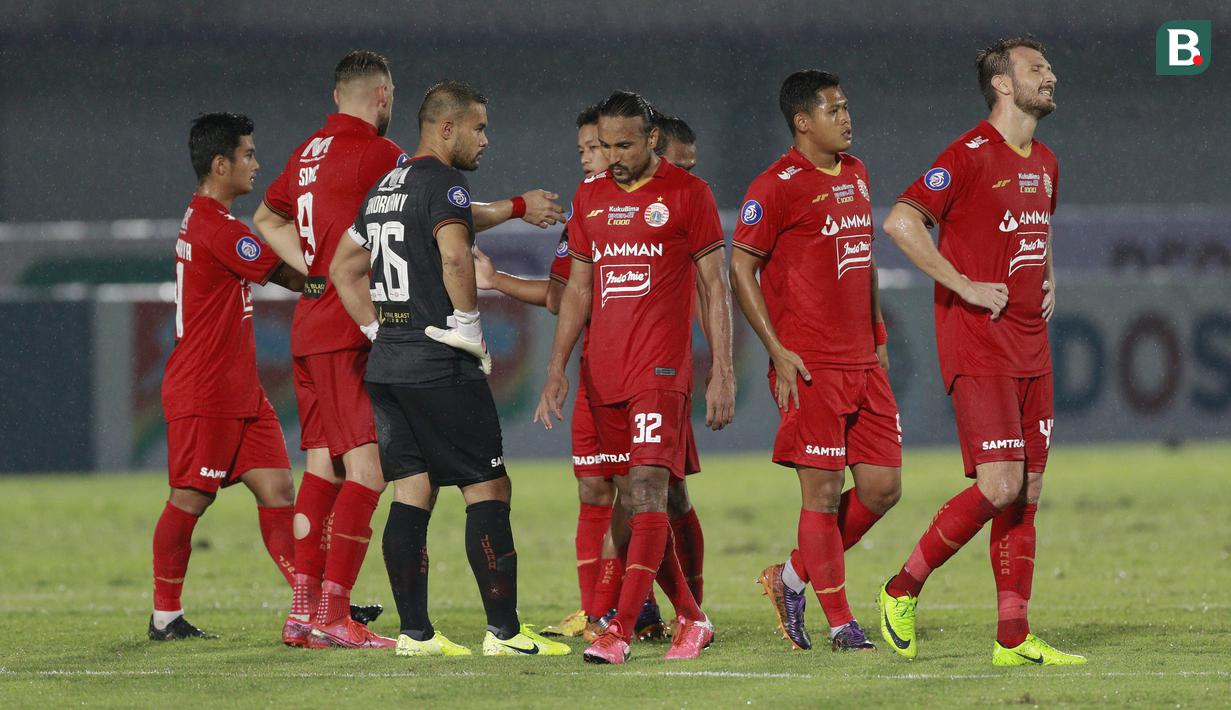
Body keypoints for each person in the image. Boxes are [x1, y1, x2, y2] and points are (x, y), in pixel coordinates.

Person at [253, 50, 563, 649]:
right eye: (478, 128)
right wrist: (516, 215)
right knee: (419, 477)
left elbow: (272, 220)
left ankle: (322, 612)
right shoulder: (384, 157)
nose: (484, 139)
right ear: (384, 97)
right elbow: (448, 225)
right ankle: (346, 614)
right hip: (387, 337)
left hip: (327, 328)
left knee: (337, 467)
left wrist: (318, 279)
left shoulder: (308, 154)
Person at [331, 80, 570, 658]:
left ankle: (415, 634)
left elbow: (342, 268)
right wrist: (466, 323)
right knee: (487, 484)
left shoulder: (387, 186)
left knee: (412, 490)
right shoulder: (444, 182)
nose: (486, 139)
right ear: (446, 127)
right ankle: (505, 634)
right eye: (479, 127)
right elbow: (456, 253)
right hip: (440, 361)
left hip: (390, 365)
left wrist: (375, 330)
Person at [875, 37, 1085, 666]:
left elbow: (1035, 229)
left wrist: (1050, 275)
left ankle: (1013, 639)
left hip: (1032, 345)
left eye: (1049, 66)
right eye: (1036, 69)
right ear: (1001, 84)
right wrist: (963, 284)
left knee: (1027, 492)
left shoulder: (1046, 160)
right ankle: (900, 588)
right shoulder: (966, 155)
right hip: (980, 343)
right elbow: (901, 221)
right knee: (1000, 484)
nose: (1051, 76)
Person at [535, 91, 735, 664]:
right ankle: (692, 618)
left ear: (651, 139)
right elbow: (577, 288)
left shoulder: (688, 194)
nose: (613, 155)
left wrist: (722, 369)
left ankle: (618, 629)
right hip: (605, 375)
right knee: (637, 498)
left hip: (660, 370)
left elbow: (713, 286)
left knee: (648, 489)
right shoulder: (589, 198)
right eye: (605, 145)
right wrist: (556, 369)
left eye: (624, 144)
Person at [730, 70, 901, 653]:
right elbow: (740, 267)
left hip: (863, 360)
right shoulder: (774, 186)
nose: (848, 118)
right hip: (812, 366)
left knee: (882, 488)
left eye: (847, 107)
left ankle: (792, 577)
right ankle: (841, 623)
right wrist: (776, 350)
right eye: (835, 110)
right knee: (822, 496)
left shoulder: (856, 174)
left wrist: (878, 332)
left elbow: (865, 257)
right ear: (803, 121)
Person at [151, 112, 306, 640]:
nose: (256, 164)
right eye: (248, 155)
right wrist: (341, 278)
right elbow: (286, 275)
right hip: (206, 389)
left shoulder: (202, 220)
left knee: (280, 489)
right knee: (191, 498)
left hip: (239, 390)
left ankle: (312, 607)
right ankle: (165, 616)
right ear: (221, 165)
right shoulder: (218, 227)